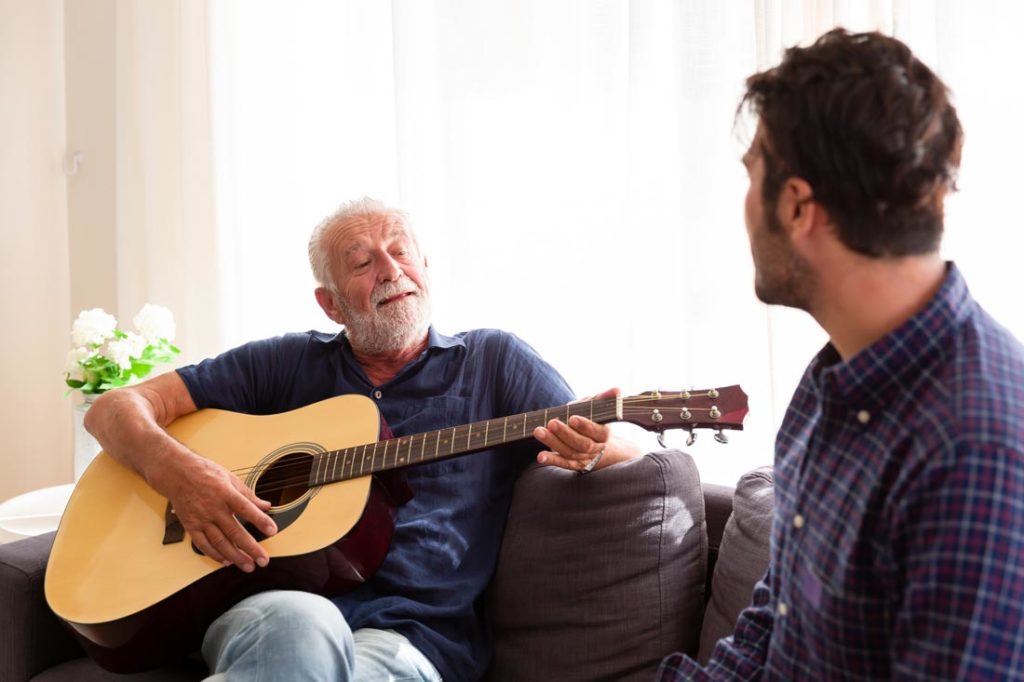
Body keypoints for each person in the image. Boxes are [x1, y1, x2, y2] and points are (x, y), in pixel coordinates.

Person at [85, 196, 641, 681]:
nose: (390, 270)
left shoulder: (493, 362)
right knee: (304, 624)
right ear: (330, 304)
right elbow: (114, 409)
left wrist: (598, 450)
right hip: (275, 611)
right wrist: (181, 474)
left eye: (401, 252)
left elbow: (621, 446)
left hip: (409, 641)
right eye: (362, 262)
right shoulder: (285, 364)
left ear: (425, 268)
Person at [657, 28, 1024, 680]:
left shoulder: (978, 453)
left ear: (798, 206)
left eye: (752, 175)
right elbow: (775, 619)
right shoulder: (832, 379)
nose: (744, 207)